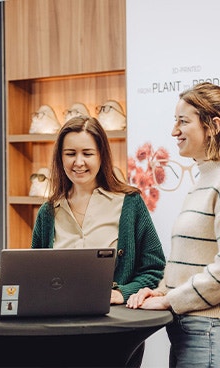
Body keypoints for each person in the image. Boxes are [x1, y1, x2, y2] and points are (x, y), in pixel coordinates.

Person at [31, 116, 166, 366]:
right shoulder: (48, 212)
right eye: (70, 153)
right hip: (58, 339)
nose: (78, 162)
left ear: (101, 155)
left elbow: (153, 267)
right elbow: (36, 275)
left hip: (116, 337)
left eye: (87, 153)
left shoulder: (130, 203)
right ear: (60, 157)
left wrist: (123, 292)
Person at [126, 82, 220, 367]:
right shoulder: (205, 179)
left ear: (213, 126)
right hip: (190, 330)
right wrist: (163, 289)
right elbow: (194, 260)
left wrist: (169, 300)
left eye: (183, 121)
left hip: (207, 332)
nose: (174, 131)